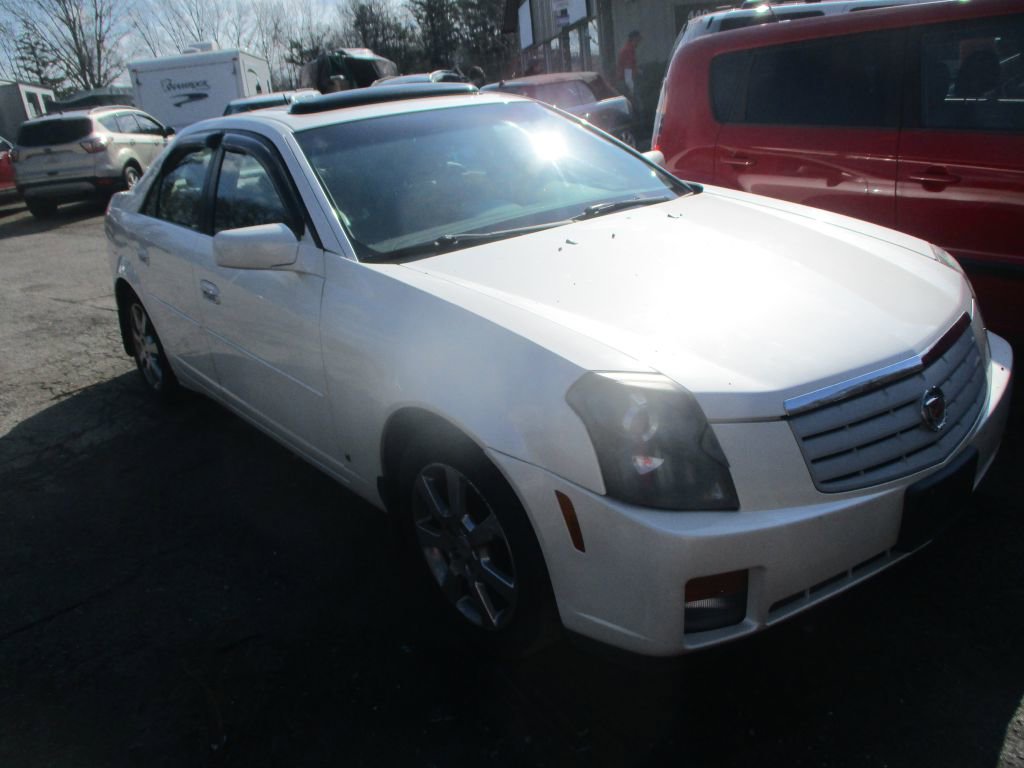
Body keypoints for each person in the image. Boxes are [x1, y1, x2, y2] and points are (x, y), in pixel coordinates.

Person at [617, 30, 642, 107]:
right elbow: (627, 70)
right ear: (634, 39)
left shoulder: (629, 49)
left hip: (627, 81)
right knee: (636, 105)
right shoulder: (628, 50)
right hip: (627, 82)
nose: (638, 43)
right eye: (638, 40)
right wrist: (631, 89)